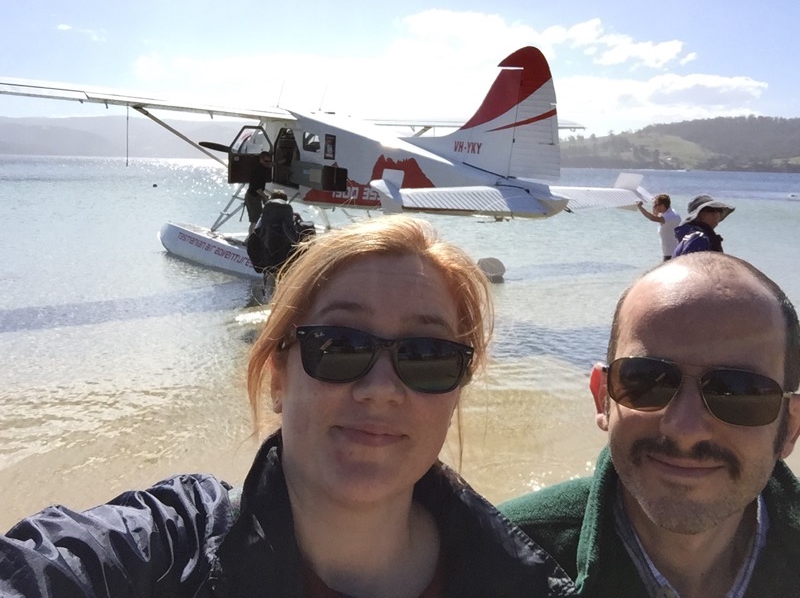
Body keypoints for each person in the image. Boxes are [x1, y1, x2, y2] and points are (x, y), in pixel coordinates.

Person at [0, 215, 576, 597]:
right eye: (341, 345)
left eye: (426, 355)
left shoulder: (523, 583)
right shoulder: (165, 549)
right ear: (277, 376)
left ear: (456, 389)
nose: (380, 388)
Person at [500, 252, 800, 597]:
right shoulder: (499, 558)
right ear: (603, 398)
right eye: (646, 381)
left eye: (738, 392)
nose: (685, 429)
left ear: (790, 427)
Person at [635, 193, 681, 260]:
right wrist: (654, 204)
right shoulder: (669, 212)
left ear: (662, 206)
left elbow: (653, 218)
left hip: (671, 253)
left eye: (655, 205)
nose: (654, 207)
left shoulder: (670, 216)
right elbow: (655, 214)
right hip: (671, 251)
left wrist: (640, 207)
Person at [245, 150, 274, 234]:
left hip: (256, 196)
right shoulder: (258, 171)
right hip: (253, 196)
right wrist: (265, 198)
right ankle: (250, 238)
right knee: (255, 220)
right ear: (261, 159)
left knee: (257, 218)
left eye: (269, 161)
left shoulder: (263, 168)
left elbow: (273, 164)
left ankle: (253, 237)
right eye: (266, 161)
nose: (267, 163)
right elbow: (258, 189)